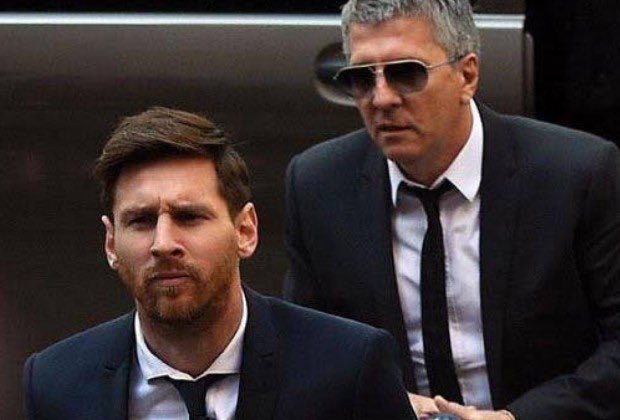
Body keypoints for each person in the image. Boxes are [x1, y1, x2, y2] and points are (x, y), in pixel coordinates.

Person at [283, 1, 620, 419]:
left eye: (406, 73)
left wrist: (516, 417)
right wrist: (387, 400)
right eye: (362, 78)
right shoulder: (319, 185)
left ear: (467, 75)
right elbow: (305, 350)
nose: (381, 98)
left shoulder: (575, 175)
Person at [23, 107, 415, 420]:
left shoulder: (348, 367)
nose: (163, 244)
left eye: (189, 217)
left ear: (245, 230)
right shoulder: (58, 384)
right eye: (141, 221)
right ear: (111, 243)